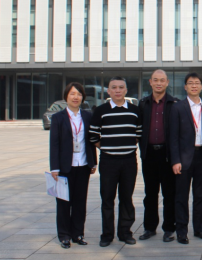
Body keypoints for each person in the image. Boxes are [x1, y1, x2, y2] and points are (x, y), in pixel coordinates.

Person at [90, 77, 142, 247]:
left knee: (126, 198)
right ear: (108, 91)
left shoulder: (135, 110)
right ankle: (107, 235)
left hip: (129, 161)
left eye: (121, 87)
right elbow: (93, 136)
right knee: (107, 198)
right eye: (114, 87)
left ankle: (125, 232)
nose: (118, 90)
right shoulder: (100, 110)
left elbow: (138, 134)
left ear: (126, 90)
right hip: (108, 161)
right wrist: (108, 148)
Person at [49, 82, 97, 249]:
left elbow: (91, 141)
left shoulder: (88, 116)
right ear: (66, 97)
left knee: (80, 202)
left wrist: (93, 161)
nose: (76, 97)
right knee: (63, 202)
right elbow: (54, 144)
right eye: (72, 94)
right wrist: (54, 167)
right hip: (64, 167)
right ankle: (64, 235)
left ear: (83, 97)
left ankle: (78, 234)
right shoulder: (58, 117)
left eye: (79, 94)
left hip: (83, 165)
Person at [169, 72, 202, 244]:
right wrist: (175, 160)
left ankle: (199, 229)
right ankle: (181, 231)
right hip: (184, 157)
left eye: (197, 83)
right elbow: (173, 136)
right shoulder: (178, 107)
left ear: (201, 86)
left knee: (201, 194)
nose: (194, 86)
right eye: (191, 83)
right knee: (181, 196)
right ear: (185, 87)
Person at [138, 70, 178, 243]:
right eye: (156, 80)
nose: (159, 83)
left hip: (167, 154)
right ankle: (149, 227)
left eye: (162, 80)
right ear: (150, 82)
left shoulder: (174, 103)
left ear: (167, 82)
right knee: (150, 193)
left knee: (169, 194)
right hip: (149, 155)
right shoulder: (143, 104)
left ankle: (169, 228)